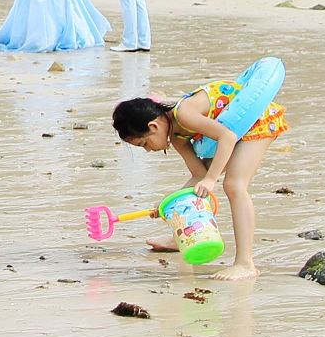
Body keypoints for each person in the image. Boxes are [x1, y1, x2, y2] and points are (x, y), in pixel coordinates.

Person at [110, 79, 291, 282]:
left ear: (153, 125)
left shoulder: (185, 114)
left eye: (144, 143)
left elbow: (227, 137)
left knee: (234, 185)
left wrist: (212, 178)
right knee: (204, 186)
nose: (149, 149)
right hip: (234, 132)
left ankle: (245, 264)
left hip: (258, 120)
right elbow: (198, 176)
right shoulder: (178, 138)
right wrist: (168, 203)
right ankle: (184, 237)